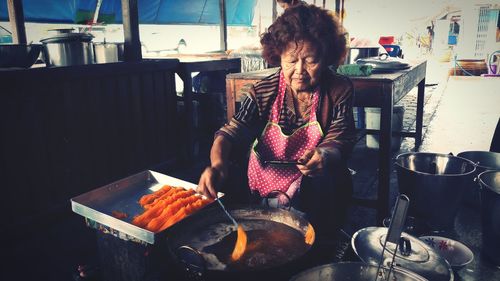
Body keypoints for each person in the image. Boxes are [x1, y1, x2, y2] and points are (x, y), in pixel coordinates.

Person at [197, 4, 356, 239]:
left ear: (326, 57)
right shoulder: (264, 90)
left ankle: (322, 244)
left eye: (310, 60)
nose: (300, 70)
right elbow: (229, 133)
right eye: (291, 61)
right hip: (263, 184)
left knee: (333, 178)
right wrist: (218, 166)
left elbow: (339, 137)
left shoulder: (338, 89)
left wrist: (325, 155)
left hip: (312, 184)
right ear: (278, 56)